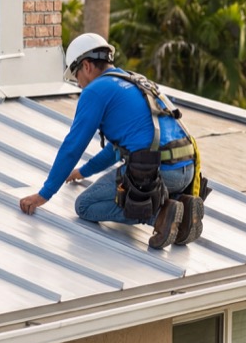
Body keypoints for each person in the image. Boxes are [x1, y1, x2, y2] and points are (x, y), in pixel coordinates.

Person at [18, 33, 206, 250]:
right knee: (129, 186)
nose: (78, 84)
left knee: (85, 206)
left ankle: (161, 215)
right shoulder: (134, 80)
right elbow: (117, 150)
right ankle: (180, 206)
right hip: (187, 170)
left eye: (76, 75)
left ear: (86, 66)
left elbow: (73, 146)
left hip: (158, 172)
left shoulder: (95, 91)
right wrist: (83, 172)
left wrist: (44, 194)